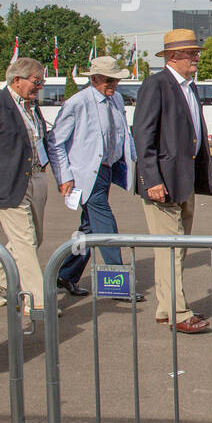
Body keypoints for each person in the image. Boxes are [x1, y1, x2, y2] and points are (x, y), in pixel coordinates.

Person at [133, 30, 212, 335]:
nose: (197, 58)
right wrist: (151, 179)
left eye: (196, 53)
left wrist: (211, 166)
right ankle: (177, 311)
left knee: (176, 248)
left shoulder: (190, 87)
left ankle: (166, 307)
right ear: (173, 57)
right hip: (164, 183)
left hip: (185, 181)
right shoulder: (156, 85)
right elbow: (143, 136)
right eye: (191, 53)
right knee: (171, 249)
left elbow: (197, 133)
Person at [0, 57, 60, 316]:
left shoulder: (32, 106)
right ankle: (38, 302)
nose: (40, 86)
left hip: (37, 178)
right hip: (8, 184)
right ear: (16, 80)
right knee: (25, 242)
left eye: (42, 81)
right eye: (36, 81)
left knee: (33, 238)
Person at [51, 55, 143, 302]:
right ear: (94, 79)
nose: (113, 84)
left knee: (89, 228)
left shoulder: (116, 99)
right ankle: (117, 285)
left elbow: (124, 132)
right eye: (107, 79)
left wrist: (136, 162)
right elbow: (56, 141)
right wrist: (64, 176)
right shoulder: (77, 102)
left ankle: (67, 274)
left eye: (115, 79)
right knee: (106, 228)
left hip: (107, 170)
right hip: (85, 175)